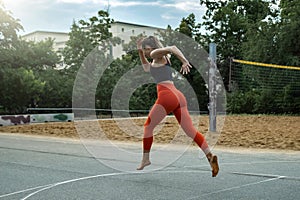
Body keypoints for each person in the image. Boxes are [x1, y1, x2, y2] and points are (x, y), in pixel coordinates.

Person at [136, 36, 219, 177]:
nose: (145, 51)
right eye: (144, 49)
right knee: (190, 131)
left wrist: (184, 61)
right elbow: (146, 68)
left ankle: (146, 159)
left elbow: (173, 48)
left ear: (152, 47)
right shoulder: (160, 58)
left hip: (166, 95)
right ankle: (209, 155)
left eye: (146, 48)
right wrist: (139, 52)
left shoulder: (155, 54)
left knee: (148, 127)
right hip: (178, 96)